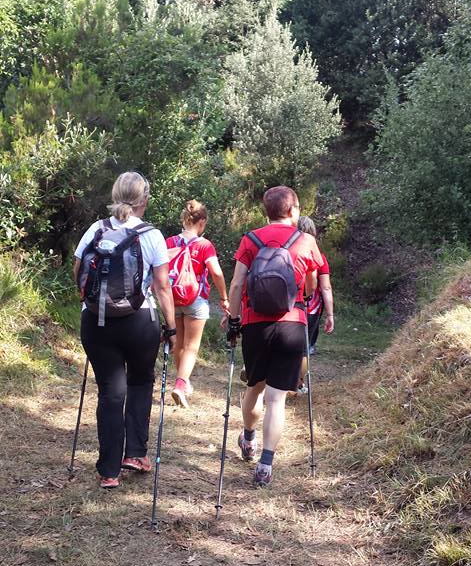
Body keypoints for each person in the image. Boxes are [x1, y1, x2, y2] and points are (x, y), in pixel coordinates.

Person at [73, 172, 177, 490]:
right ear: (144, 200)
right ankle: (135, 453)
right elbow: (161, 286)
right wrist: (171, 327)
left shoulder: (96, 228)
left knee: (110, 393)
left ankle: (108, 471)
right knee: (141, 382)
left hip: (96, 321)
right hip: (139, 320)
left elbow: (78, 271)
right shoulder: (151, 235)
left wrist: (91, 299)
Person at [226, 185, 325, 487]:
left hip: (256, 324)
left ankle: (248, 436)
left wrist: (233, 321)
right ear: (294, 210)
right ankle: (266, 464)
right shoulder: (306, 241)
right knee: (277, 398)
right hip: (292, 324)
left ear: (265, 212)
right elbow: (310, 288)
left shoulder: (250, 239)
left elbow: (236, 285)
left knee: (254, 387)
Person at [167, 200, 229, 408]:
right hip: (195, 299)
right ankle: (180, 384)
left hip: (173, 298)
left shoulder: (170, 242)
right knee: (192, 347)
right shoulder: (204, 245)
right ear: (201, 221)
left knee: (179, 343)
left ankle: (183, 381)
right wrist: (224, 297)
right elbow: (216, 272)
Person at [297, 215, 335, 393]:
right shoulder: (319, 257)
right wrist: (330, 314)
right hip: (310, 308)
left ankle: (270, 375)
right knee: (303, 348)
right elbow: (325, 288)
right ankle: (299, 383)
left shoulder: (285, 250)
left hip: (287, 305)